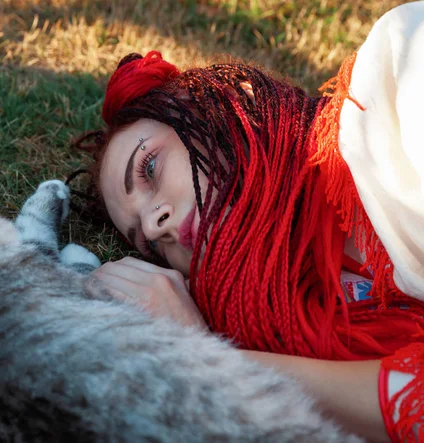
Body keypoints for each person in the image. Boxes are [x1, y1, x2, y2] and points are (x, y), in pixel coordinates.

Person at [72, 2, 424, 442]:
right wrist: (202, 351)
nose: (157, 221)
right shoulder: (312, 328)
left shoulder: (396, 86)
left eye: (149, 169)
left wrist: (208, 359)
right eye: (147, 243)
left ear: (225, 105)